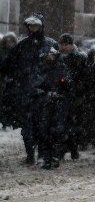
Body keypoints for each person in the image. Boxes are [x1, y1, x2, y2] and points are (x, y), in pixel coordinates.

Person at [0, 12, 58, 164]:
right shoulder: (22, 45)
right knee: (27, 128)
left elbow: (57, 68)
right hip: (25, 92)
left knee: (43, 126)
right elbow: (8, 64)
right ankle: (30, 154)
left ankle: (42, 154)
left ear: (41, 26)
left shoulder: (51, 44)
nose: (32, 29)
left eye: (35, 26)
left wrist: (52, 86)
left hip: (43, 93)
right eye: (30, 26)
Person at [37, 47, 73, 169]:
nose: (50, 57)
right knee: (44, 130)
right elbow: (36, 85)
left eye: (52, 55)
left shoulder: (61, 67)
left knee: (57, 130)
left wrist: (63, 85)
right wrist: (44, 93)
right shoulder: (41, 68)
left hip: (60, 103)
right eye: (48, 55)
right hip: (45, 103)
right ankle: (45, 157)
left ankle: (55, 155)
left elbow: (68, 84)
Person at [58, 33, 88, 160]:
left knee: (73, 125)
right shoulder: (57, 58)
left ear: (71, 45)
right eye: (62, 45)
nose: (64, 47)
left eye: (66, 45)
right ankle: (62, 150)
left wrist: (76, 87)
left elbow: (85, 77)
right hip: (61, 96)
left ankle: (73, 148)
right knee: (61, 125)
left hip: (75, 96)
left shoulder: (79, 58)